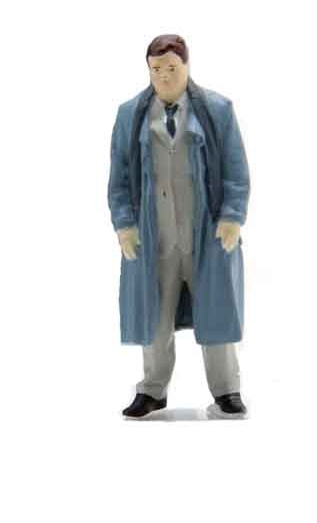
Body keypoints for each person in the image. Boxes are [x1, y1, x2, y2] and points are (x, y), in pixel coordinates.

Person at [107, 34, 251, 419]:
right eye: (156, 69)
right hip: (155, 239)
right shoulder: (130, 115)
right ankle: (152, 389)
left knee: (217, 310)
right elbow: (119, 179)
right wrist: (125, 225)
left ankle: (227, 389)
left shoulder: (217, 110)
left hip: (206, 235)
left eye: (172, 68)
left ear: (186, 66)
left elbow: (236, 170)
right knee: (154, 316)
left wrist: (232, 216)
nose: (165, 76)